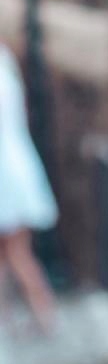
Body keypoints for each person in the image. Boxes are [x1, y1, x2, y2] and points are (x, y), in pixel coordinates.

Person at [0, 42, 58, 336]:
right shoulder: (6, 63)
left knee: (16, 252)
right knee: (11, 253)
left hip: (7, 174)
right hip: (13, 166)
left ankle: (45, 314)